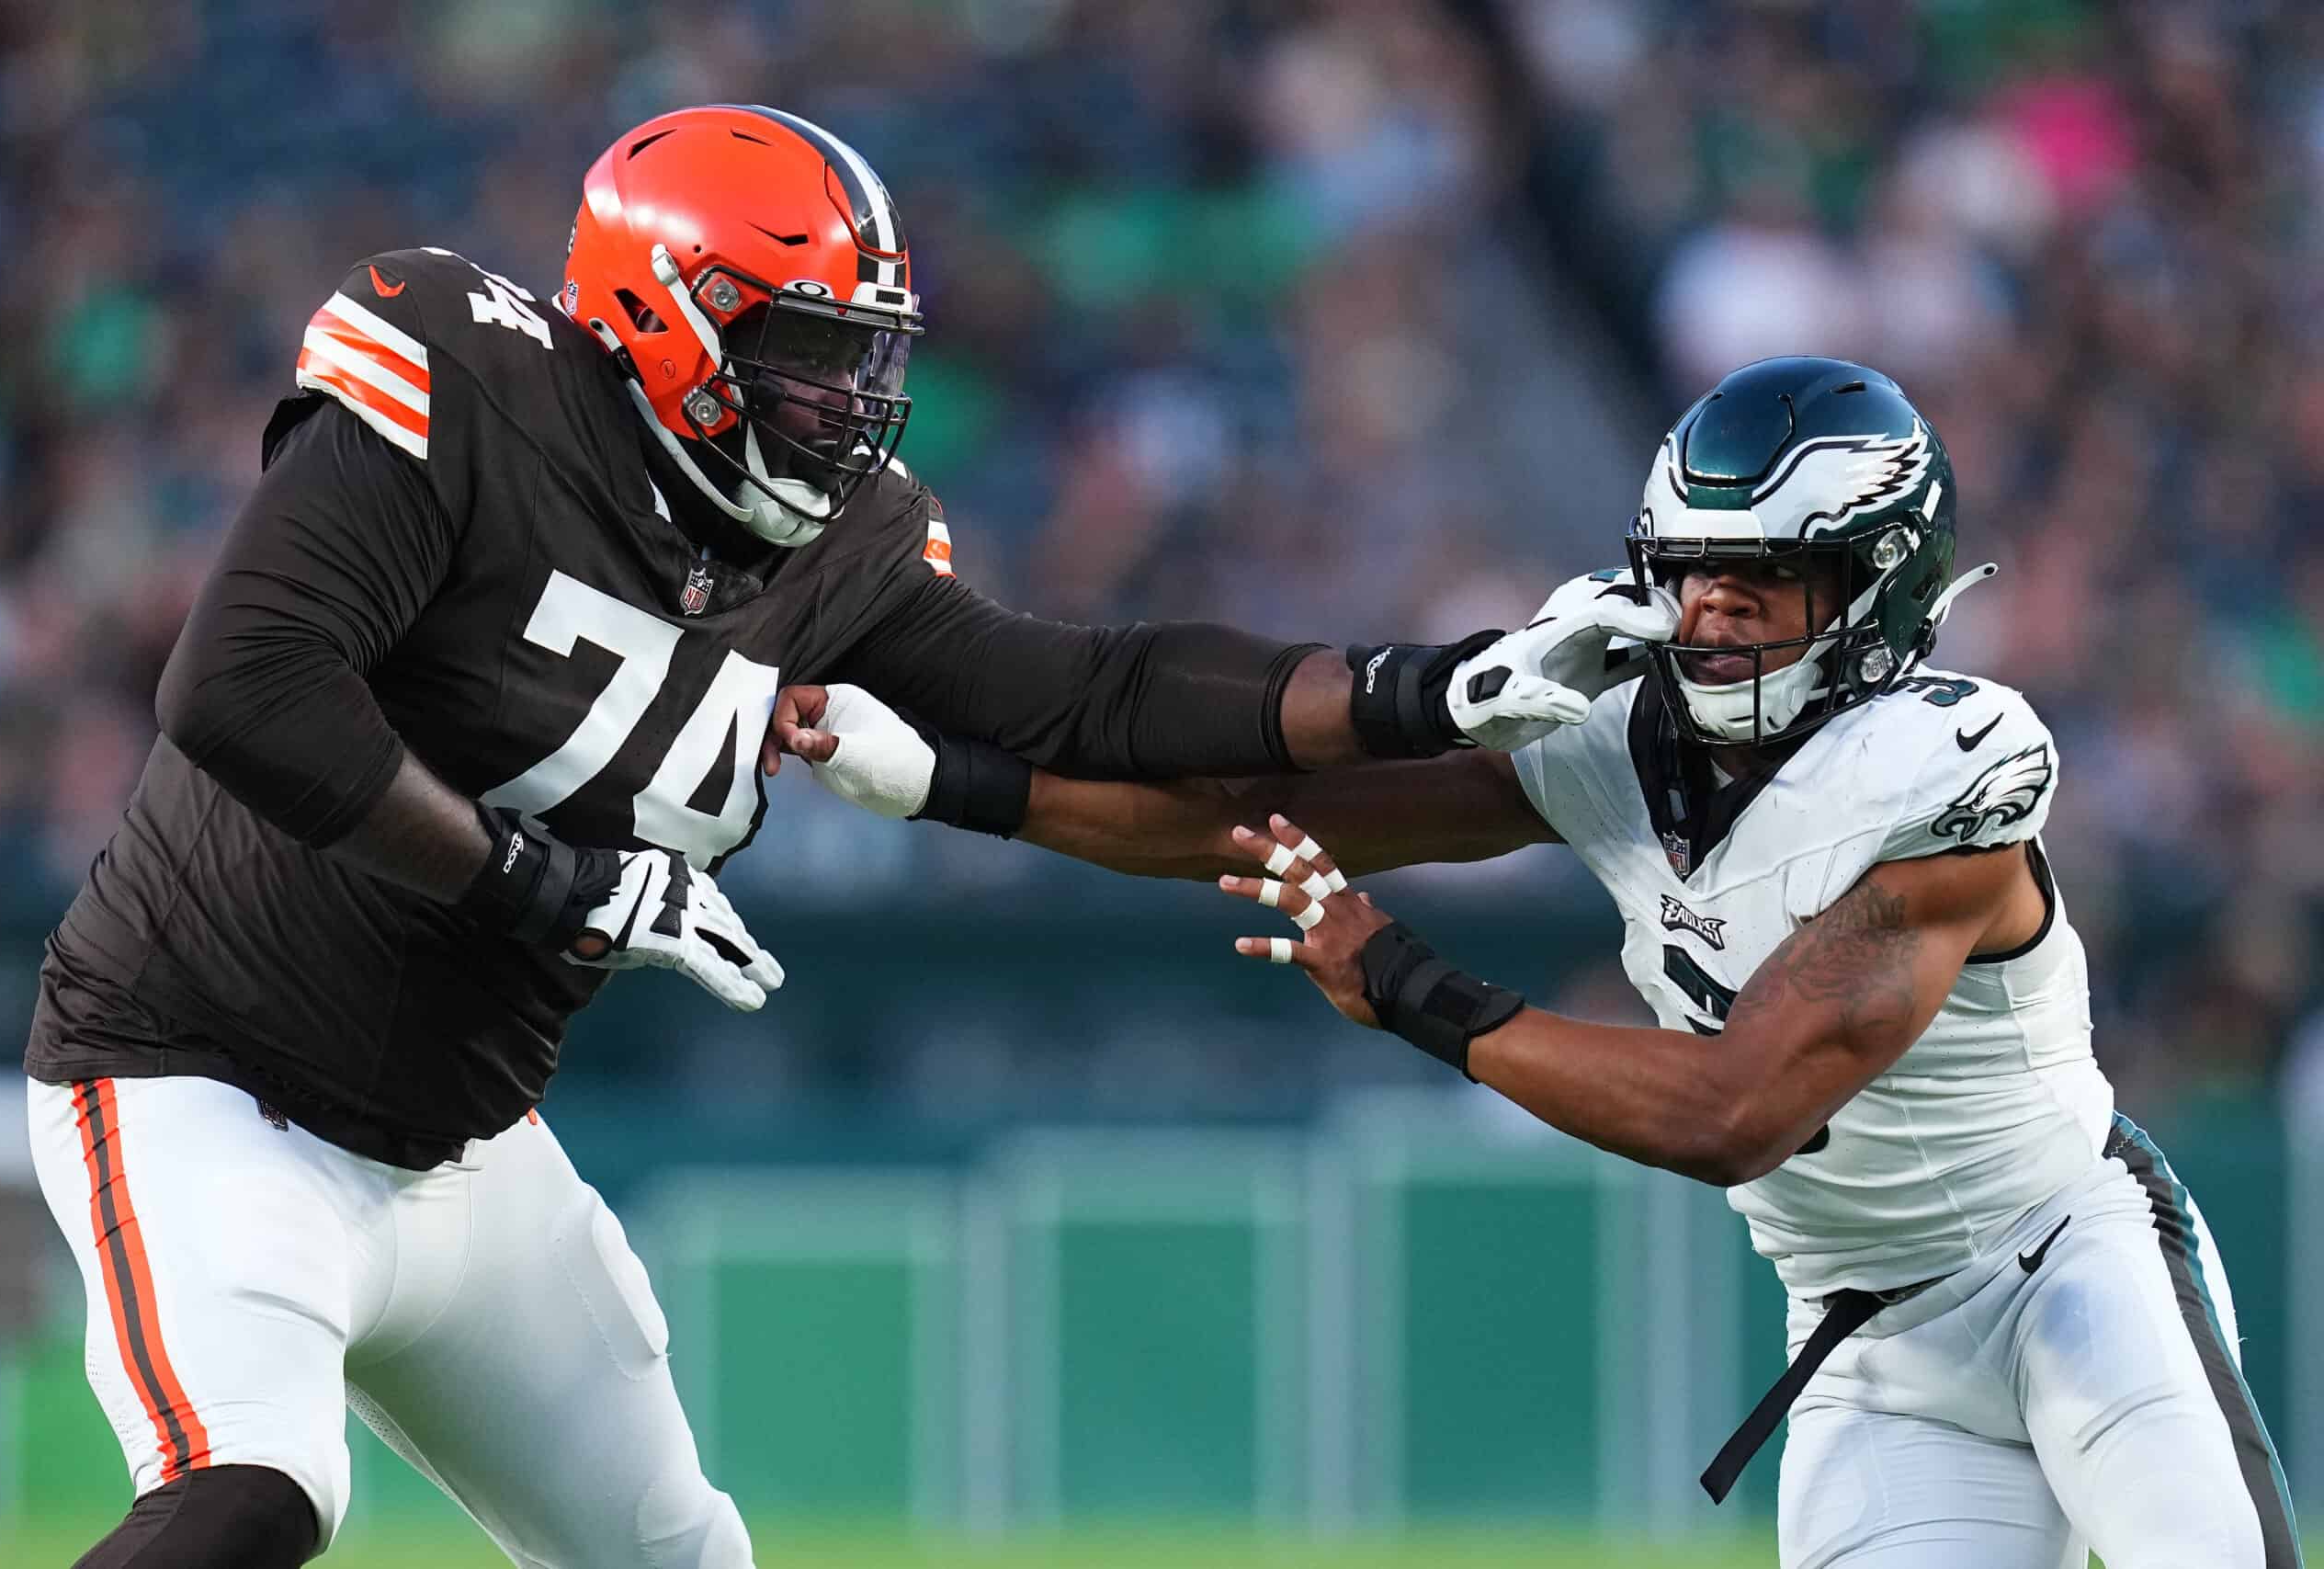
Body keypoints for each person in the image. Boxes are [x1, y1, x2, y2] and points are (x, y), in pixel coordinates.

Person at [19, 103, 1576, 1569]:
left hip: (466, 1148)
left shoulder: (846, 543)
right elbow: (241, 686)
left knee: (682, 1554)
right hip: (199, 1078)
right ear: (664, 319)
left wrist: (1421, 688)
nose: (851, 401)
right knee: (255, 1497)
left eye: (867, 358)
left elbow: (1085, 696)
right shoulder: (465, 376)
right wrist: (542, 881)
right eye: (810, 355)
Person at [797, 358, 2300, 1569]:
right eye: (1690, 575)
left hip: (2067, 1268)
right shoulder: (1615, 737)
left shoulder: (1948, 768)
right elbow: (1244, 821)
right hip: (1865, 1339)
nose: (1708, 618)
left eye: (1757, 584)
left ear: (1874, 596)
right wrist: (945, 783)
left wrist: (1407, 987)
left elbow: (1734, 1112)